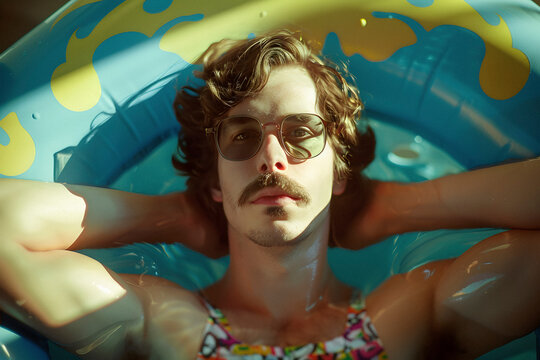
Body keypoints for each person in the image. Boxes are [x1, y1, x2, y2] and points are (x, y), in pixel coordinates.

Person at [0, 30, 539, 360]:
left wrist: (392, 207)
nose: (271, 158)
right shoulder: (159, 325)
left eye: (302, 133)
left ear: (341, 170)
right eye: (242, 138)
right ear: (214, 181)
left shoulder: (408, 320)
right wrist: (175, 216)